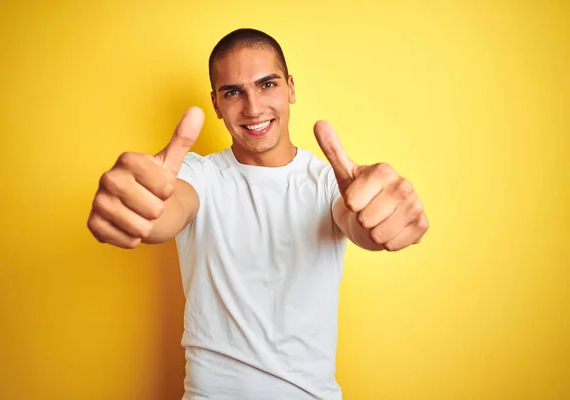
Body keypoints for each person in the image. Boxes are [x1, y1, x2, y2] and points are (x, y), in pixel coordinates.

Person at [87, 28, 429, 400]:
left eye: (267, 84)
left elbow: (357, 221)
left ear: (291, 88)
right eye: (233, 92)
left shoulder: (331, 183)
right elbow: (170, 207)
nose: (253, 108)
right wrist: (138, 209)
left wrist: (386, 220)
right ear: (216, 104)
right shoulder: (198, 175)